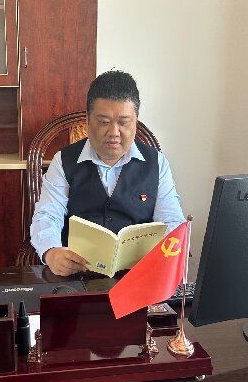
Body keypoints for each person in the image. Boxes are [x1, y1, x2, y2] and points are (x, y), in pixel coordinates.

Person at [31, 70, 185, 276]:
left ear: (136, 121)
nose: (113, 132)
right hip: (78, 274)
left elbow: (172, 221)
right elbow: (47, 215)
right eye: (104, 121)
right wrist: (51, 252)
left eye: (124, 122)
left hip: (138, 274)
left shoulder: (157, 163)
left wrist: (164, 255)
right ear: (88, 120)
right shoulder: (64, 161)